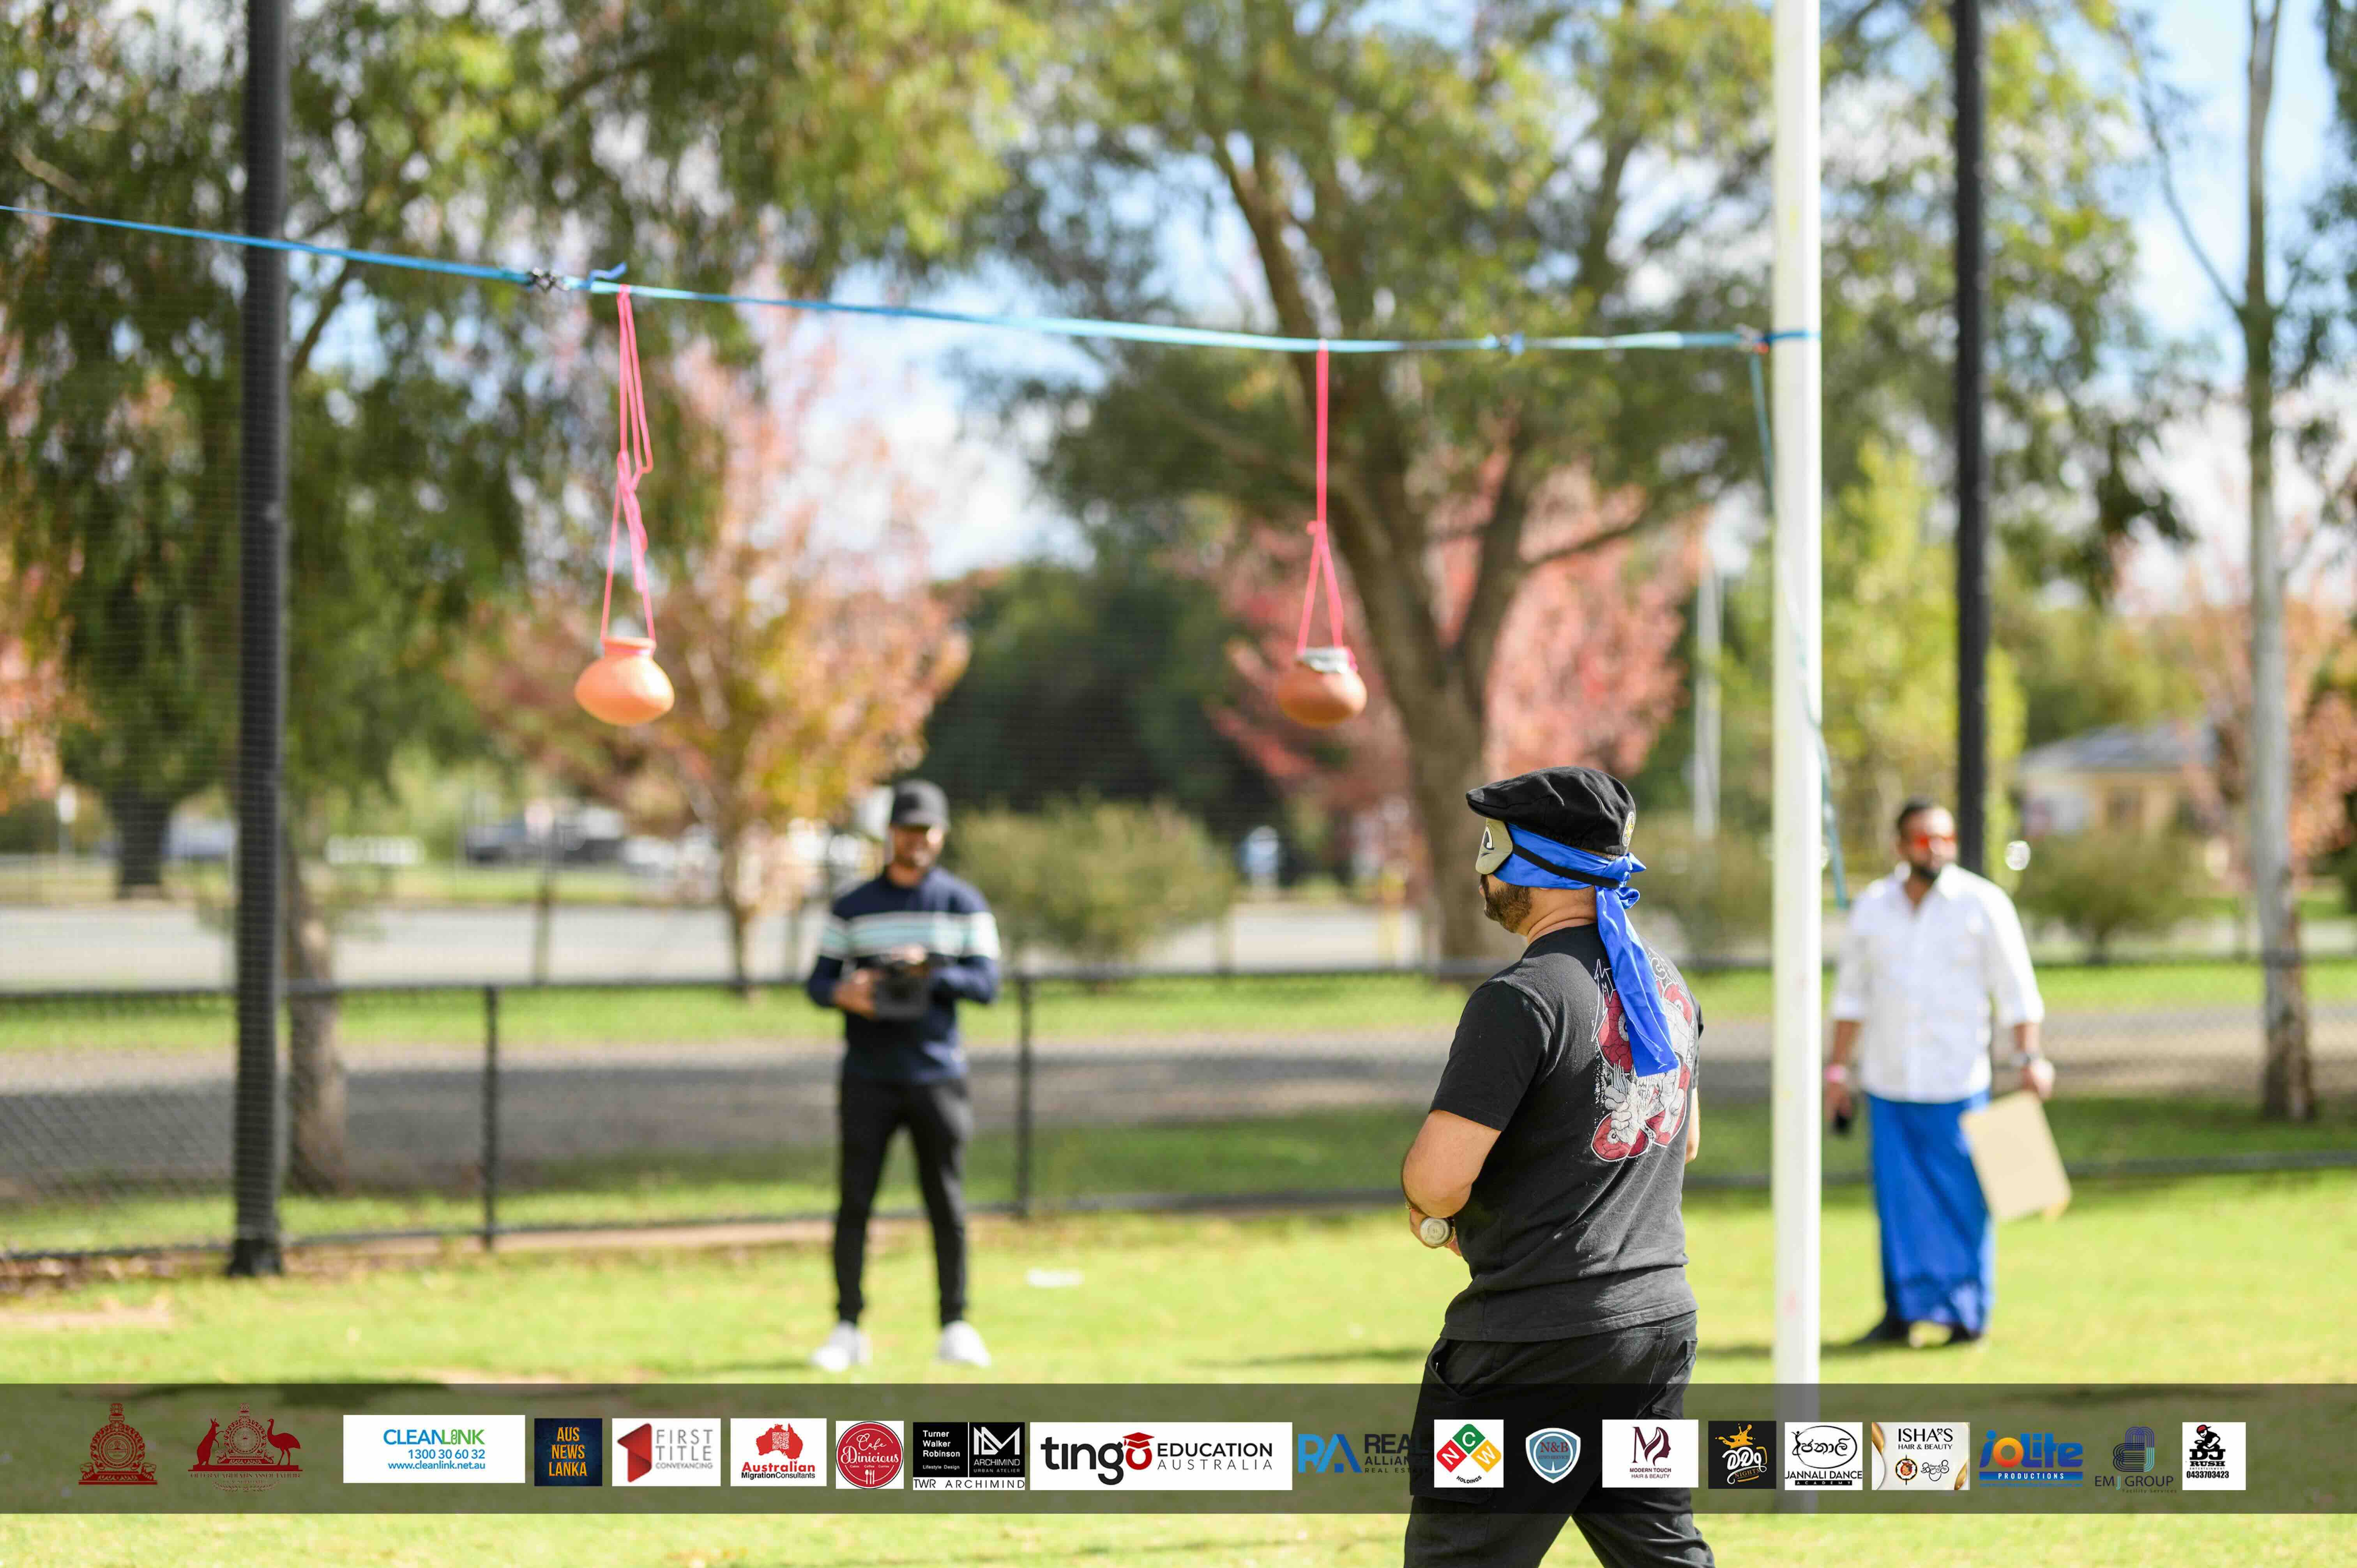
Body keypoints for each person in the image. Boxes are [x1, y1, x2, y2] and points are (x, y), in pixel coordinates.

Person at [1399, 766, 1713, 1568]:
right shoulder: (1667, 987)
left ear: (1529, 862)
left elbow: (1437, 1180)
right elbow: (1683, 1138)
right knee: (1660, 1553)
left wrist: (1439, 1210)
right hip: (1653, 1323)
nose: (1480, 866)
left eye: (1489, 847)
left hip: (1535, 1342)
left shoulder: (1521, 997)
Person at [1824, 797, 2051, 1348]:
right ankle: (1901, 1314)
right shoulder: (1874, 908)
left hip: (1959, 1083)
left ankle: (1967, 1317)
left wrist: (2029, 1059)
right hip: (1889, 1083)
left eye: (1944, 838)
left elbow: (2017, 991)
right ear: (1902, 846)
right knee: (1899, 1207)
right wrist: (1837, 1070)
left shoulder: (1983, 903)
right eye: (1925, 839)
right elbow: (1852, 996)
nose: (1937, 848)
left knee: (1964, 1204)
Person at [804, 779, 1000, 1371]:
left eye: (925, 832)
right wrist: (849, 992)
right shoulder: (853, 905)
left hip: (937, 1073)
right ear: (890, 834)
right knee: (855, 1201)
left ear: (940, 836)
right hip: (867, 1073)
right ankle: (847, 1325)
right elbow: (816, 983)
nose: (915, 842)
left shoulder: (963, 904)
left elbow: (987, 985)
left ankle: (955, 1322)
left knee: (946, 1199)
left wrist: (928, 971)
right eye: (905, 830)